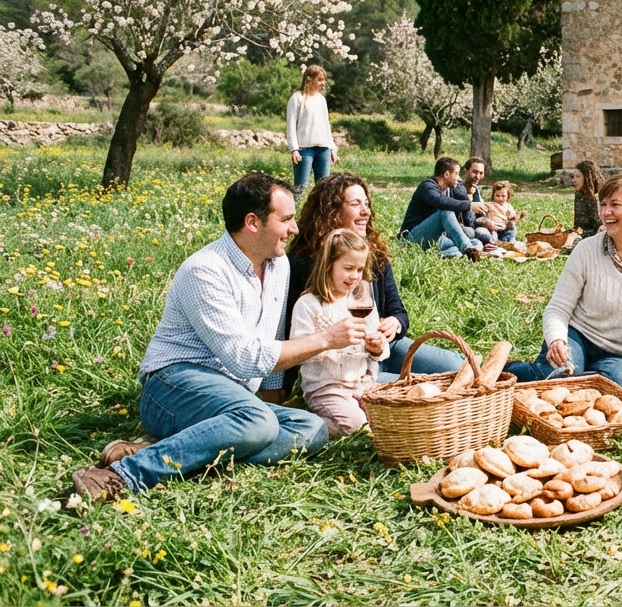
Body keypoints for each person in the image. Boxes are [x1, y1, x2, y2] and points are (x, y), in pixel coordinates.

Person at [71, 173, 365, 501]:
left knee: (311, 430)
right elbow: (245, 358)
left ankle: (176, 447)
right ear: (253, 222)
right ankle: (122, 475)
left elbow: (270, 335)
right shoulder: (205, 270)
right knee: (259, 423)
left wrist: (269, 397)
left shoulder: (276, 265)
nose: (294, 228)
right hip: (172, 385)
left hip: (231, 396)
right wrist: (326, 339)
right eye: (286, 219)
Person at [258, 172, 472, 404]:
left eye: (367, 204)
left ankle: (510, 373)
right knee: (430, 387)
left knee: (459, 367)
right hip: (349, 367)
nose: (366, 212)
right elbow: (289, 328)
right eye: (355, 204)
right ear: (331, 211)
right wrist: (279, 390)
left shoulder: (374, 255)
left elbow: (397, 310)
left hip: (389, 347)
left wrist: (395, 323)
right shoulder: (304, 262)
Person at [506, 174, 622, 389]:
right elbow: (558, 308)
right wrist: (557, 339)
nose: (606, 213)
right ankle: (508, 372)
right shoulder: (586, 249)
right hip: (578, 336)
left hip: (621, 355)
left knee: (610, 387)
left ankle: (577, 377)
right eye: (603, 204)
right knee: (556, 375)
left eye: (615, 205)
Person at [291, 228, 389, 436]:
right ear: (328, 265)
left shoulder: (360, 301)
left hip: (361, 383)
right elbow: (298, 349)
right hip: (326, 387)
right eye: (348, 268)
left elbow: (377, 348)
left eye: (360, 270)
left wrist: (377, 346)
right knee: (357, 426)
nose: (355, 276)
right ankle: (309, 422)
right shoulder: (309, 304)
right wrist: (331, 341)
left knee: (387, 418)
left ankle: (349, 413)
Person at [398, 156, 486, 262]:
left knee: (476, 242)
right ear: (447, 174)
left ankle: (453, 255)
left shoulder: (450, 189)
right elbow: (440, 202)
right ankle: (468, 250)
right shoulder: (427, 186)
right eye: (456, 174)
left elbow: (462, 206)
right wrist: (469, 205)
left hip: (435, 238)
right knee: (445, 212)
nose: (459, 178)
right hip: (411, 238)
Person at [285, 65, 337, 199]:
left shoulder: (321, 99)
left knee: (324, 189)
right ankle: (292, 216)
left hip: (323, 149)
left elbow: (326, 125)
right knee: (299, 189)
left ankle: (321, 218)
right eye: (319, 79)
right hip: (304, 149)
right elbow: (291, 126)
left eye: (323, 79)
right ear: (309, 79)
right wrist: (294, 149)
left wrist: (332, 148)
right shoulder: (297, 98)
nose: (323, 83)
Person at [459, 157, 499, 249]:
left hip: (477, 226)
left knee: (483, 233)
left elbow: (482, 215)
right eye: (474, 172)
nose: (477, 176)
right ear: (466, 171)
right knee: (471, 233)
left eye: (481, 173)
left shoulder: (476, 190)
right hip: (463, 227)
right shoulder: (458, 188)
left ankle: (490, 243)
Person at [571, 160, 604, 235]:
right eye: (573, 177)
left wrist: (578, 235)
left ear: (587, 178)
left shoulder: (598, 197)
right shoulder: (579, 194)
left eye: (577, 177)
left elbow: (599, 229)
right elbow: (578, 225)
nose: (573, 180)